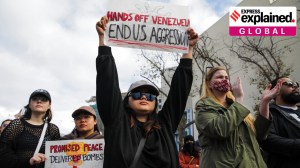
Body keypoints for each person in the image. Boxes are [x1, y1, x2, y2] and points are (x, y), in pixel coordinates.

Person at [96, 16, 199, 168]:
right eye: (137, 94)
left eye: (150, 95)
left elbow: (180, 90)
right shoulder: (117, 122)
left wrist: (188, 49)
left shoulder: (165, 123)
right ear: (128, 100)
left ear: (155, 102)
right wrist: (103, 41)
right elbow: (107, 83)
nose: (144, 96)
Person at [195, 66, 280, 168]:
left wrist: (265, 102)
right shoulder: (204, 106)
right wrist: (239, 99)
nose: (224, 80)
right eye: (220, 77)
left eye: (226, 78)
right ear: (209, 84)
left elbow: (259, 135)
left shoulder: (234, 106)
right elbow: (220, 130)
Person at [0, 89, 60, 168]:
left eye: (44, 99)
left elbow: (58, 156)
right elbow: (3, 154)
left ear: (49, 105)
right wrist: (28, 161)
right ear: (29, 104)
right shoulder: (16, 125)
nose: (39, 101)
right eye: (35, 98)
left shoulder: (53, 129)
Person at [261, 77, 300, 168]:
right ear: (276, 90)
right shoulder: (269, 114)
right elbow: (268, 140)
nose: (295, 87)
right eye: (290, 84)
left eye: (296, 84)